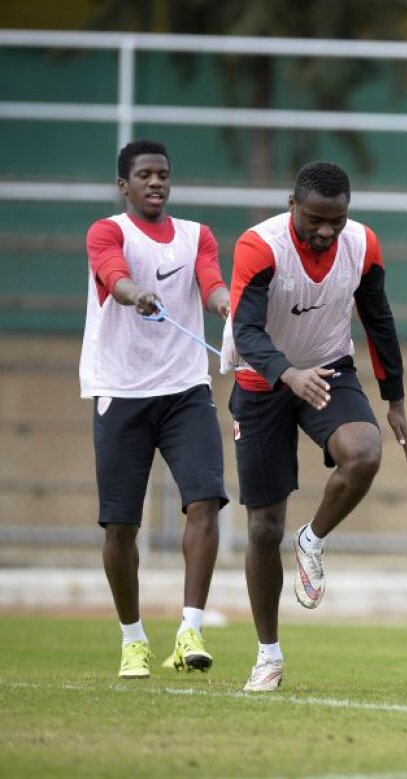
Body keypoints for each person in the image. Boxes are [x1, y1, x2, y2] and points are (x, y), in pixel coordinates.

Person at [222, 161, 407, 692]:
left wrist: (394, 398)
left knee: (365, 452)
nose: (327, 230)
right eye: (315, 220)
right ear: (292, 205)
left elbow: (379, 318)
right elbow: (247, 330)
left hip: (328, 368)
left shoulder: (363, 244)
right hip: (262, 383)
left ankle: (314, 537)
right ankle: (268, 656)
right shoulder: (259, 247)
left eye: (338, 219)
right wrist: (287, 373)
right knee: (263, 529)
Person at [81, 139, 231, 679]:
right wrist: (133, 291)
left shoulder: (196, 236)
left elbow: (212, 283)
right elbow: (112, 275)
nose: (156, 183)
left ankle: (190, 628)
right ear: (124, 185)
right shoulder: (108, 231)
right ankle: (132, 639)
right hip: (119, 392)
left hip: (185, 391)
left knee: (205, 503)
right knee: (120, 525)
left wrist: (226, 306)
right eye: (144, 175)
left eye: (163, 174)